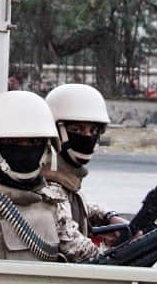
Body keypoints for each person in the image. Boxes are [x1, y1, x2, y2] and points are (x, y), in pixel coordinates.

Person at [0, 90, 110, 262]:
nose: (25, 149)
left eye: (34, 141)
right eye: (13, 142)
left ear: (47, 148)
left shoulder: (51, 203)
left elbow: (85, 254)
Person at [44, 83, 128, 238]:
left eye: (93, 130)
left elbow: (75, 204)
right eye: (77, 130)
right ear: (56, 131)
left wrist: (108, 216)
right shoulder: (50, 183)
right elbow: (70, 244)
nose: (87, 136)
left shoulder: (65, 175)